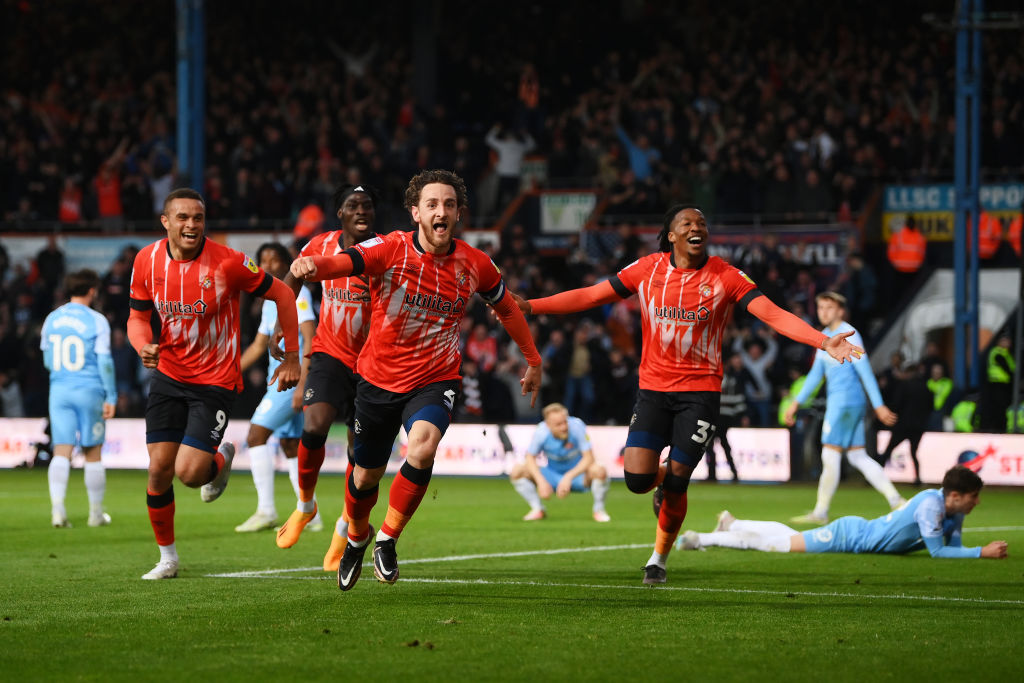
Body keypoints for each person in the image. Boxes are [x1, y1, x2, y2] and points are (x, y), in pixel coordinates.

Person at [514, 204, 864, 585]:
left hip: (700, 393)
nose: (697, 228)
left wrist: (822, 340)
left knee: (678, 482)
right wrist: (532, 306)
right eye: (687, 223)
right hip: (652, 390)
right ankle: (660, 477)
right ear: (671, 235)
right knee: (636, 480)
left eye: (702, 223)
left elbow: (772, 314)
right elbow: (593, 296)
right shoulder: (647, 269)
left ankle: (658, 558)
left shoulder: (725, 276)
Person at [290, 169, 542, 591]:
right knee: (365, 476)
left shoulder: (476, 263)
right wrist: (317, 265)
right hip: (376, 378)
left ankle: (387, 538)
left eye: (448, 204)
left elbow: (509, 309)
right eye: (431, 204)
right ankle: (356, 537)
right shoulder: (390, 247)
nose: (440, 211)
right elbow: (348, 261)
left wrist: (532, 359)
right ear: (416, 213)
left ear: (459, 213)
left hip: (435, 377)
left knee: (423, 447)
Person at [127, 188, 300, 580]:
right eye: (183, 218)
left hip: (215, 380)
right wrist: (143, 345)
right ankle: (168, 559)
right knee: (158, 470)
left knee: (189, 474)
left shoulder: (228, 263)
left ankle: (220, 460)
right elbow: (137, 317)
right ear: (166, 222)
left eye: (199, 218)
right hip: (169, 374)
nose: (192, 225)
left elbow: (284, 294)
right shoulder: (146, 261)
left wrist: (291, 356)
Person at [270, 185, 378, 573]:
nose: (361, 210)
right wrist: (284, 323)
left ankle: (345, 525)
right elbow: (291, 279)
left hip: (374, 364)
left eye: (367, 205)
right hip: (331, 353)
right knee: (313, 427)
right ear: (340, 215)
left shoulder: (386, 250)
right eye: (353, 205)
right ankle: (305, 506)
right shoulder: (322, 243)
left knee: (359, 455)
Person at [676, 465, 1008, 560]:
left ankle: (733, 523)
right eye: (973, 497)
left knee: (790, 537)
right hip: (850, 536)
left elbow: (955, 543)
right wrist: (983, 553)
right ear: (954, 495)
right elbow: (939, 552)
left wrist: (972, 550)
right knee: (778, 546)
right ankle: (700, 538)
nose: (977, 502)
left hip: (858, 532)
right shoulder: (931, 505)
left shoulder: (952, 509)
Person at [784, 292, 904, 524]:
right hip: (851, 403)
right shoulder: (825, 338)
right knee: (858, 456)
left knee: (830, 454)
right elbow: (815, 376)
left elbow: (865, 370)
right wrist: (796, 403)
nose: (824, 312)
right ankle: (896, 500)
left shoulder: (850, 334)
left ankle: (820, 512)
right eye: (820, 308)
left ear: (840, 310)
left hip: (842, 403)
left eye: (829, 307)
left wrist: (879, 405)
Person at [233, 243, 318, 533]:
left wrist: (302, 384)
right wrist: (228, 373)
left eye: (274, 259)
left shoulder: (299, 293)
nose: (268, 265)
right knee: (291, 446)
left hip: (289, 382)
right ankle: (311, 513)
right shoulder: (271, 301)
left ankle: (266, 510)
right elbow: (259, 345)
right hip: (283, 381)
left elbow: (310, 336)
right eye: (263, 260)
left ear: (286, 263)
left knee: (256, 435)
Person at [40, 269, 117, 528]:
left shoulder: (52, 318)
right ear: (92, 291)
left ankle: (58, 511)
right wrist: (112, 395)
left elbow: (48, 360)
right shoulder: (97, 321)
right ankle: (95, 514)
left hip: (60, 390)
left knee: (61, 450)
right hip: (89, 390)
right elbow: (105, 361)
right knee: (92, 452)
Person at [509, 403, 611, 522]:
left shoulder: (577, 426)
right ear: (548, 425)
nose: (564, 427)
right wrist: (541, 482)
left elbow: (589, 458)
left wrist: (568, 477)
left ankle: (599, 510)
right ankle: (538, 509)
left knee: (599, 470)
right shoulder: (541, 432)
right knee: (517, 471)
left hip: (577, 475)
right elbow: (530, 457)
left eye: (565, 422)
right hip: (552, 475)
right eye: (558, 424)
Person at [877, 361, 933, 485]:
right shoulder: (925, 387)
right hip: (918, 426)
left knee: (888, 450)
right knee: (914, 452)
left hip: (903, 425)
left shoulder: (904, 385)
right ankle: (917, 479)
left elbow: (896, 404)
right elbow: (931, 407)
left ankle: (876, 478)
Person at [978, 334, 1014, 433]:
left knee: (1002, 409)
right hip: (997, 385)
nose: (1007, 343)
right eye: (1004, 341)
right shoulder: (997, 353)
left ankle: (1000, 428)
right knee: (999, 409)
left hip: (1004, 386)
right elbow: (1009, 370)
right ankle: (999, 429)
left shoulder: (1007, 354)